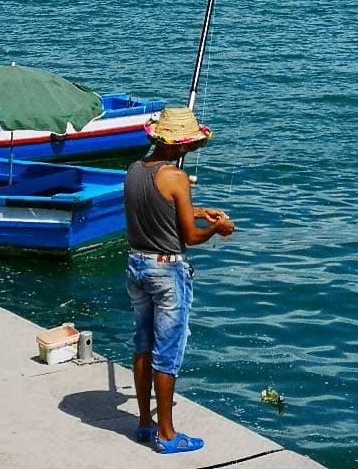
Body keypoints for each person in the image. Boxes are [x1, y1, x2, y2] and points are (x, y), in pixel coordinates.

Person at [125, 106, 235, 454]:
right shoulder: (175, 177)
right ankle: (168, 435)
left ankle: (145, 422)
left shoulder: (134, 169)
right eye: (186, 145)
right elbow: (188, 236)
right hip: (165, 271)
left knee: (142, 344)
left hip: (136, 264)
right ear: (175, 145)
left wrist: (199, 210)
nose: (189, 150)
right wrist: (217, 228)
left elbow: (155, 207)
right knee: (167, 352)